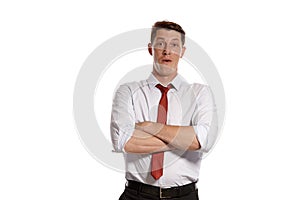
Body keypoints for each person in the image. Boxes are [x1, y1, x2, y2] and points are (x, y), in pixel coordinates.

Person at [110, 21, 217, 200]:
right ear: (151, 49)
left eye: (174, 44)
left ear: (182, 51)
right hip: (137, 195)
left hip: (184, 195)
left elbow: (202, 139)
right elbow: (124, 141)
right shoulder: (128, 91)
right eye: (160, 43)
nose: (167, 50)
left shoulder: (200, 93)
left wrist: (149, 127)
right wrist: (184, 140)